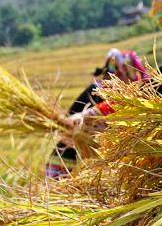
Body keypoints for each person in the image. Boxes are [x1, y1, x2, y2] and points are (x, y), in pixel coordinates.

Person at [45, 48, 149, 178]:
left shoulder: (121, 98)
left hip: (94, 162)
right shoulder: (96, 92)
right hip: (72, 160)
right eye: (127, 73)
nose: (131, 80)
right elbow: (68, 125)